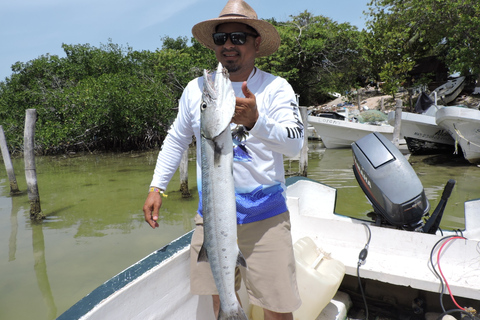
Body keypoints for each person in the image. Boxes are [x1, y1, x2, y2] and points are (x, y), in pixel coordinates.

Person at [142, 0, 304, 319]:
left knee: (277, 308)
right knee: (221, 300)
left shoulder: (276, 88)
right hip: (211, 217)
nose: (228, 46)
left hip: (265, 219)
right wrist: (157, 187)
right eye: (221, 39)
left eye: (238, 38)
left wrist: (257, 121)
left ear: (256, 43)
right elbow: (177, 139)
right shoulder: (197, 89)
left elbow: (295, 145)